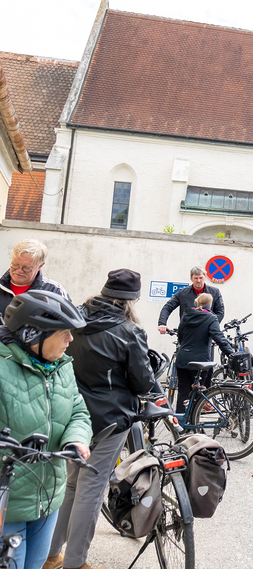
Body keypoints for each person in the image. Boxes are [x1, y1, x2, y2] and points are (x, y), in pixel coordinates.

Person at [46, 270, 157, 569]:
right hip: (109, 420)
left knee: (71, 485)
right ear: (132, 300)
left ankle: (51, 555)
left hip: (71, 414)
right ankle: (75, 563)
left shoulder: (75, 318)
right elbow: (143, 383)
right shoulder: (129, 331)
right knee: (91, 490)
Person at [0, 291, 92, 569]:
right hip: (9, 499)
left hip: (48, 495)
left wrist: (76, 439)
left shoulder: (62, 367)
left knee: (38, 563)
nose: (71, 339)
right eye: (64, 332)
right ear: (32, 334)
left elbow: (78, 411)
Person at [175, 293, 234, 413]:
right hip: (200, 361)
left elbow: (180, 338)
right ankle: (195, 421)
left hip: (182, 359)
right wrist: (231, 354)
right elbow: (219, 338)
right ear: (210, 306)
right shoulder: (211, 318)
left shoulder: (186, 316)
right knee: (198, 395)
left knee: (183, 393)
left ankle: (180, 422)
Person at [1, 239, 69, 318]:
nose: (19, 271)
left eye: (26, 267)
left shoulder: (54, 290)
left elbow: (68, 322)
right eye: (15, 264)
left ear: (40, 266)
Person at [157, 267, 224, 334]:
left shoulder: (214, 292)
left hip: (207, 332)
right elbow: (168, 307)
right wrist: (162, 323)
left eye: (201, 278)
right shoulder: (182, 293)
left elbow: (220, 312)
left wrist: (211, 326)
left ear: (205, 278)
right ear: (191, 279)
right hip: (187, 332)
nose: (198, 280)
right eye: (196, 278)